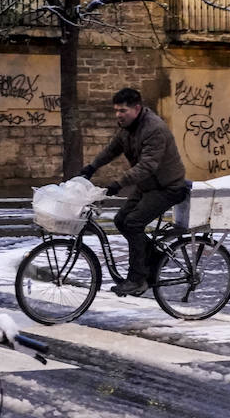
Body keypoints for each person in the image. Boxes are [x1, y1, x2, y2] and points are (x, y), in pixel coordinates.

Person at [79, 87, 188, 296]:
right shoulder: (128, 127)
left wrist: (118, 183)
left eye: (123, 110)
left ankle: (138, 279)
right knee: (121, 220)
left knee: (133, 223)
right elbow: (111, 149)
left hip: (168, 187)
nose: (118, 115)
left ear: (137, 108)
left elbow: (148, 165)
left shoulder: (154, 129)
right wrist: (91, 168)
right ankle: (153, 257)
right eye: (116, 110)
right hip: (148, 185)